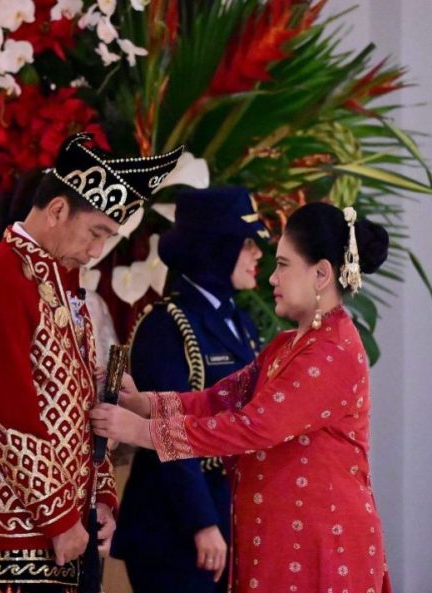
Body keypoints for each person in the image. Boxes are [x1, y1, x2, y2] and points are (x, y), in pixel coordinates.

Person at [92, 201, 393, 593]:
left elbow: (254, 426)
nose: (272, 277)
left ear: (321, 274)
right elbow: (223, 398)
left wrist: (144, 432)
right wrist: (145, 403)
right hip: (280, 536)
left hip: (319, 543)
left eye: (283, 265)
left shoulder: (332, 349)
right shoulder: (291, 343)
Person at [0, 132, 182, 592]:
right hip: (15, 526)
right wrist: (59, 517)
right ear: (57, 210)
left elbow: (84, 407)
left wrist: (101, 500)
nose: (98, 250)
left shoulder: (62, 281)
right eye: (96, 232)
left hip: (66, 523)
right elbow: (7, 414)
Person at [111, 186, 268, 592]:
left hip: (227, 513)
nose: (257, 256)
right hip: (174, 526)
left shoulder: (243, 325)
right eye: (247, 244)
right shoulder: (166, 324)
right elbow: (169, 431)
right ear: (217, 246)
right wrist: (202, 523)